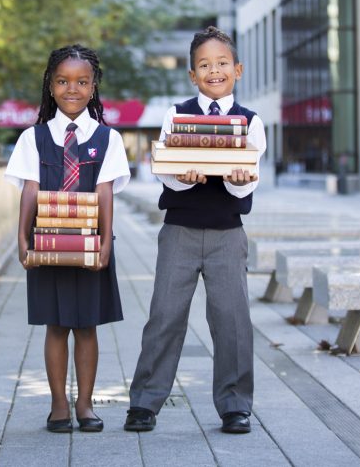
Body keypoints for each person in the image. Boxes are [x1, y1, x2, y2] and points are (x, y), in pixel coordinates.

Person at [125, 26, 266, 435]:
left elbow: (249, 180)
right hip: (180, 232)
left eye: (222, 63)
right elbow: (167, 173)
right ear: (192, 75)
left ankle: (235, 405)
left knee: (232, 319)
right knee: (165, 315)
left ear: (237, 69)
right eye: (204, 65)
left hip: (227, 233)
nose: (214, 71)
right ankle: (145, 402)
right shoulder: (177, 115)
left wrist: (237, 176)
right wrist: (186, 176)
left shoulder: (251, 122)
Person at [4, 44, 130, 433]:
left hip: (90, 243)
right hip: (49, 243)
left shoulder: (107, 139)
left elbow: (105, 191)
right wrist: (22, 237)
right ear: (50, 85)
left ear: (93, 87)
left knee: (87, 325)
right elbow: (29, 189)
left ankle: (85, 404)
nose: (71, 89)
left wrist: (106, 241)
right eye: (62, 81)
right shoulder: (33, 137)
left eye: (81, 82)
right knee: (55, 325)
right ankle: (59, 404)